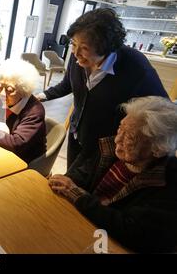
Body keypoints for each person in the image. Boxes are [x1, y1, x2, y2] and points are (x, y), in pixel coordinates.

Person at [36, 8, 168, 170]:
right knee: (70, 178)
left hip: (107, 148)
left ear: (106, 47)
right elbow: (67, 85)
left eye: (84, 47)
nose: (76, 53)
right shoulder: (77, 57)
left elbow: (162, 111)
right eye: (73, 44)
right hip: (77, 136)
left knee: (88, 189)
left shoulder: (136, 68)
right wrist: (41, 96)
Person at [49, 96, 177, 253]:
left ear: (158, 148)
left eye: (130, 138)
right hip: (79, 223)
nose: (117, 139)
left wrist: (78, 195)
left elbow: (130, 231)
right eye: (120, 130)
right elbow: (82, 174)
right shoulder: (110, 151)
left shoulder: (168, 183)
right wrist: (68, 183)